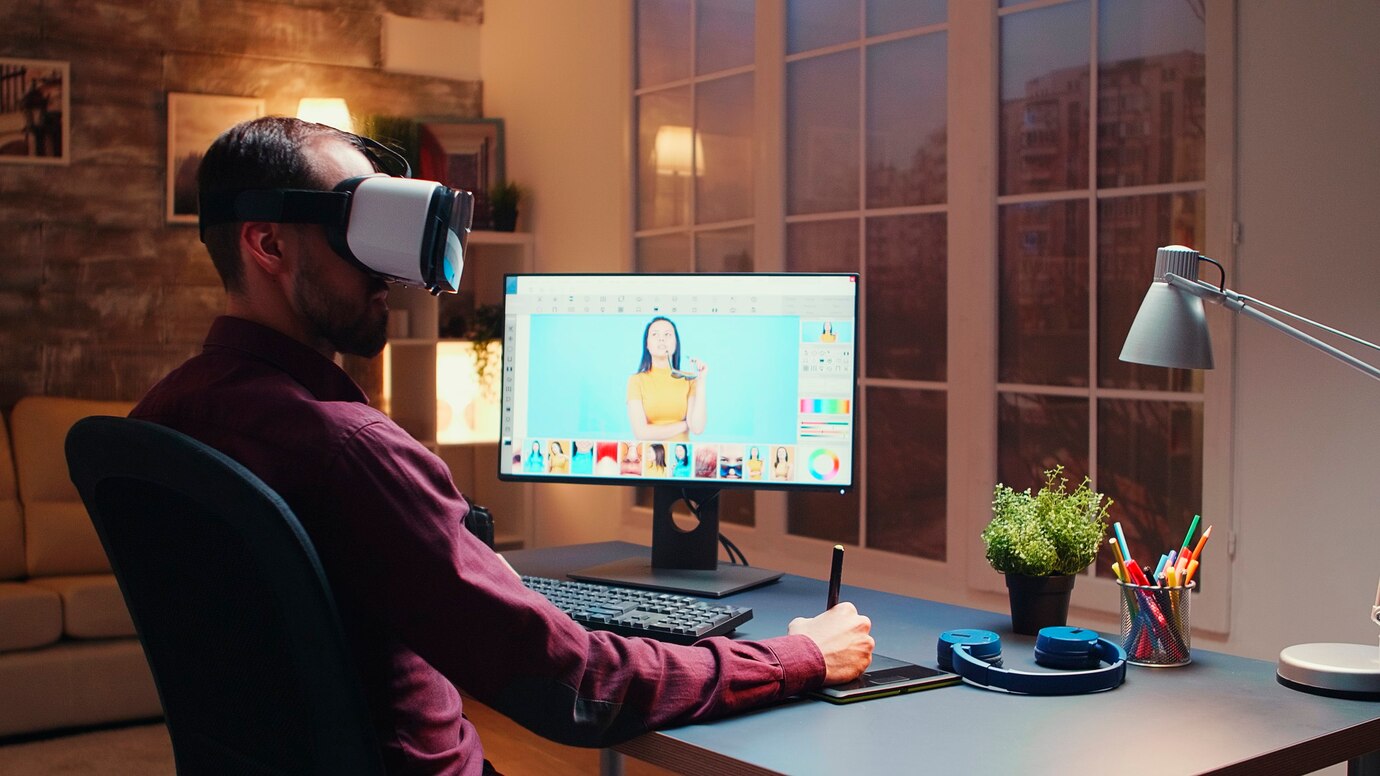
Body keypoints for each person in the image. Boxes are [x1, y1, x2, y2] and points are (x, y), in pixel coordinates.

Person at [130, 117, 873, 776]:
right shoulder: (351, 451)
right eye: (354, 225)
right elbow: (578, 687)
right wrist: (798, 655)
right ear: (267, 245)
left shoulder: (162, 418)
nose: (392, 269)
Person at [626, 316, 706, 441]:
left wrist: (701, 382)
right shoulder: (636, 381)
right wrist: (685, 425)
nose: (661, 338)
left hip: (681, 453)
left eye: (667, 334)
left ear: (675, 343)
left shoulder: (689, 379)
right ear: (647, 344)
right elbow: (641, 433)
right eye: (655, 334)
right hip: (649, 456)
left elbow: (697, 428)